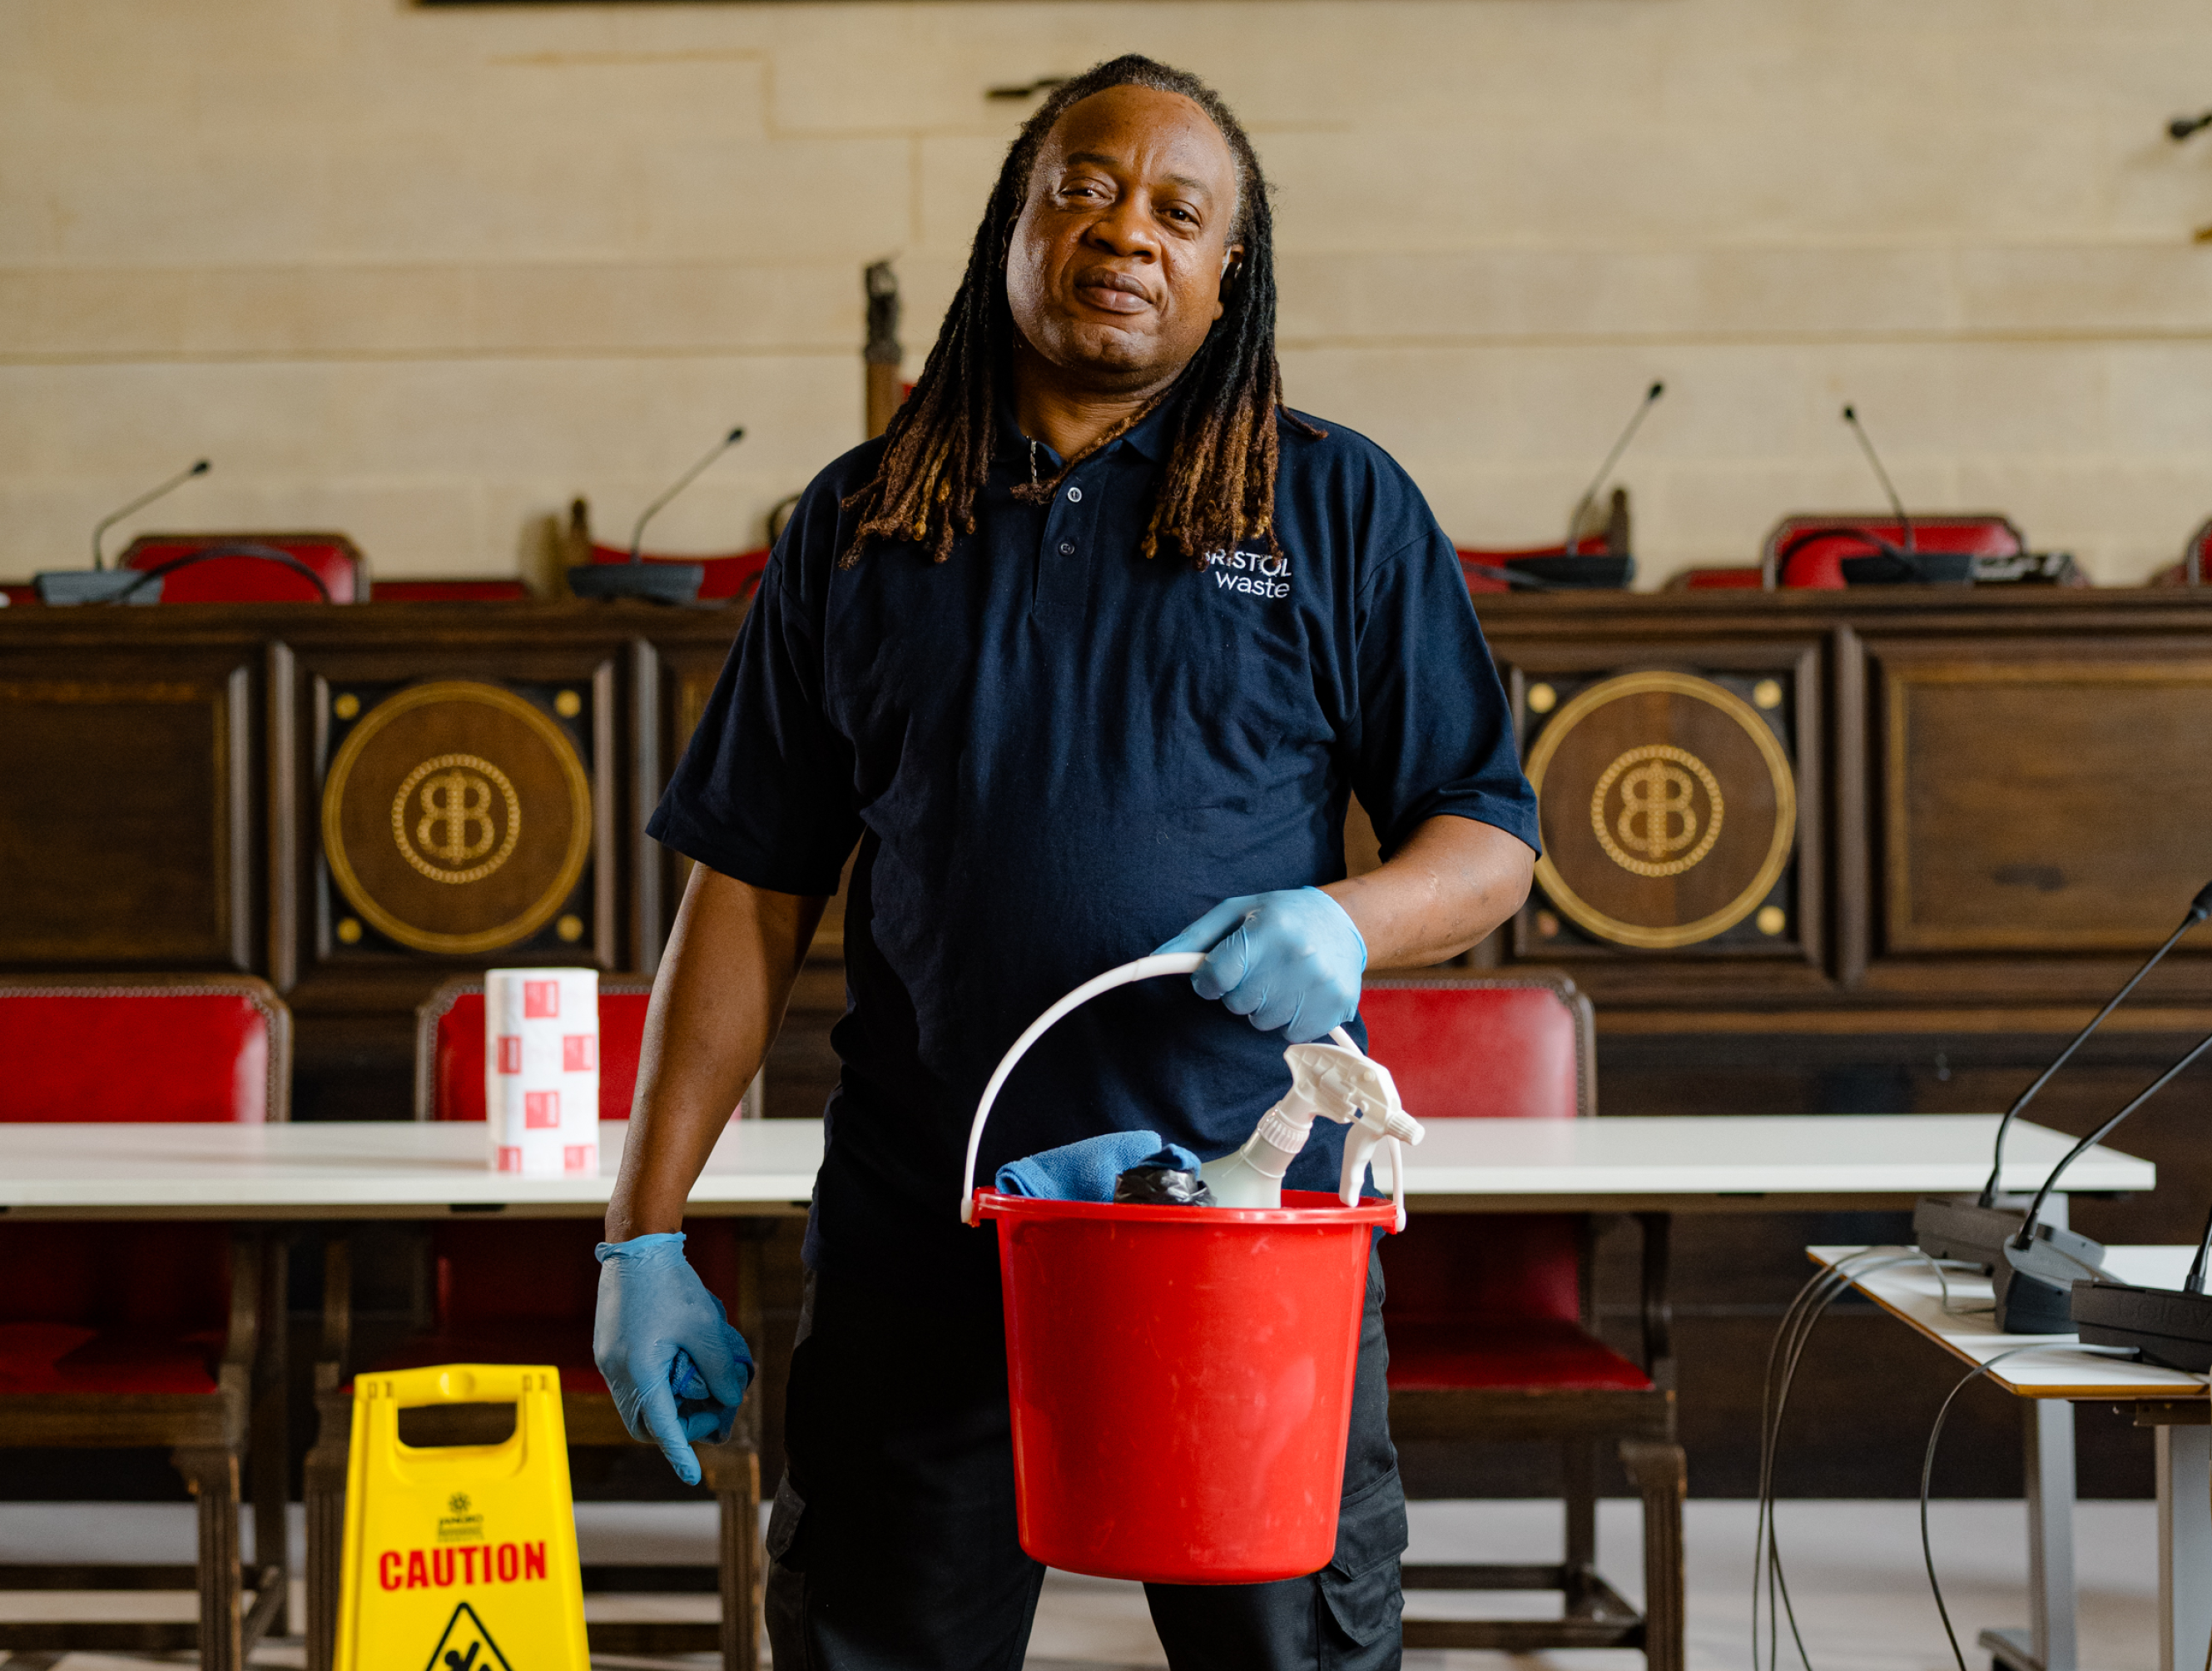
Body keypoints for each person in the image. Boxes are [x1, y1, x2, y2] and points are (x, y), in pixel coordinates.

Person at [594, 55, 1540, 1671]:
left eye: (1180, 210)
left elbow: (1486, 837)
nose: (1126, 231)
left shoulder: (1333, 503)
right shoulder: (862, 521)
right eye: (1083, 187)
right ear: (1012, 222)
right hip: (924, 1235)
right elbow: (744, 892)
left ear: (1227, 270)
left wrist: (1344, 913)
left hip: (1245, 1242)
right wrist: (641, 1232)